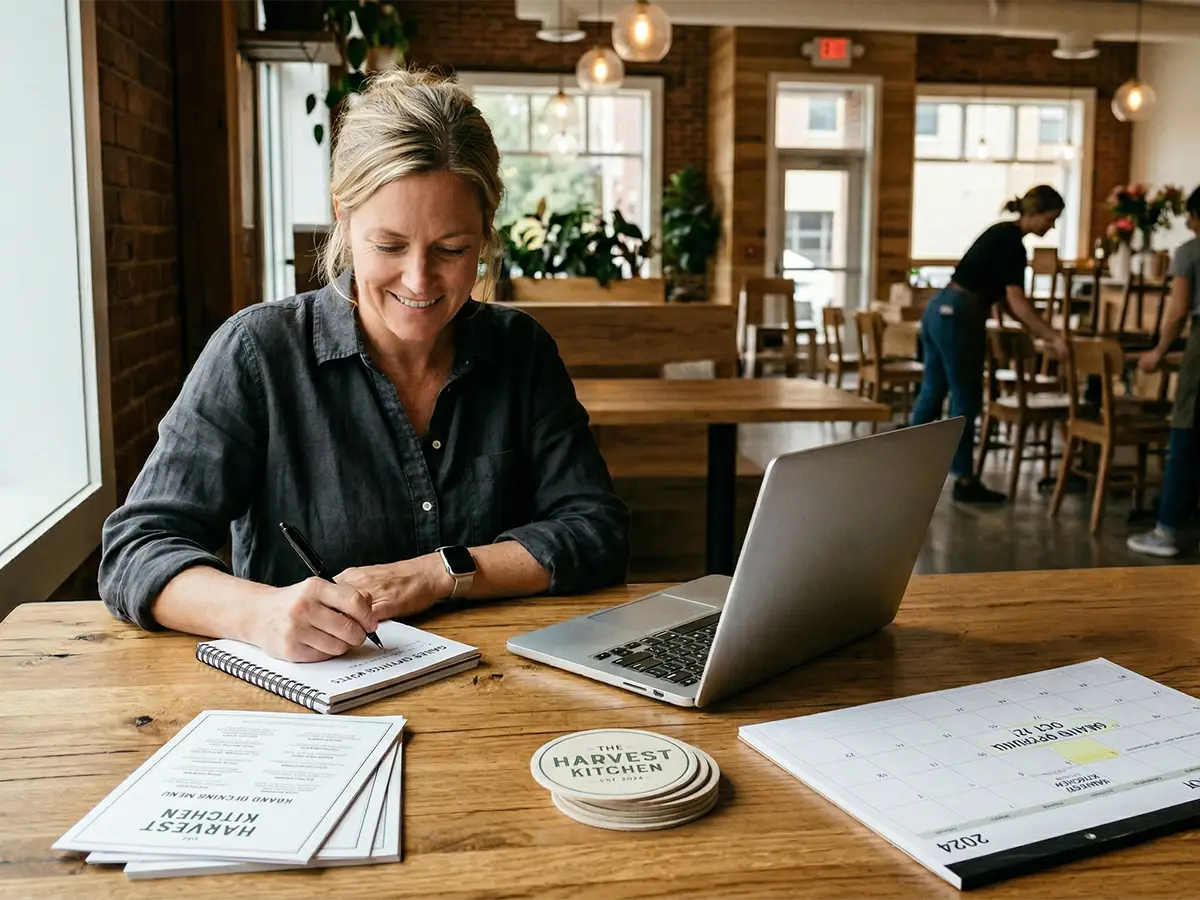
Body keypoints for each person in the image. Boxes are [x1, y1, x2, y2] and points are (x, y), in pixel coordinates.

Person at [99, 68, 631, 661]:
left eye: (452, 250)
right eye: (390, 246)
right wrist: (258, 612)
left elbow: (595, 529)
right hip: (315, 709)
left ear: (485, 230)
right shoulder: (257, 353)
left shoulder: (521, 350)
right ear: (344, 219)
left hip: (501, 691)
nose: (419, 280)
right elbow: (137, 549)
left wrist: (438, 572)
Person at [910, 185, 1071, 503]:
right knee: (967, 397)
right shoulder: (1011, 243)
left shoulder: (1001, 233)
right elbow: (1017, 301)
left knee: (933, 391)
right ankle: (965, 480)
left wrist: (1038, 331)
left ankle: (901, 464)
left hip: (939, 308)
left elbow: (1008, 303)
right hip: (959, 315)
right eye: (1051, 219)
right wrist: (1052, 336)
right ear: (1035, 213)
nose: (1051, 227)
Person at [1127, 186, 1200, 557]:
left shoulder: (1189, 252)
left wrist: (1157, 352)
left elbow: (1178, 312)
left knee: (1185, 432)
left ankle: (1166, 528)